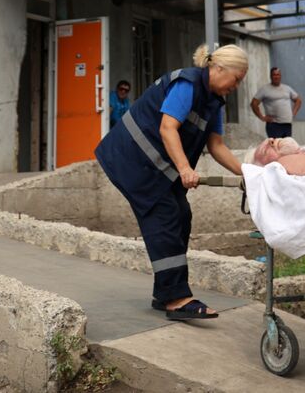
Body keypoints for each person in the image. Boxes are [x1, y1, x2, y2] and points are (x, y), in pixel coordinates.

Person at [94, 44, 247, 321]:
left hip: (157, 168)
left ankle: (165, 292)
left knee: (182, 215)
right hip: (132, 161)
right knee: (164, 215)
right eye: (237, 79)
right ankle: (176, 298)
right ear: (219, 68)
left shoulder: (214, 101)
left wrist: (246, 172)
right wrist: (185, 168)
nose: (236, 86)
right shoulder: (187, 83)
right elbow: (168, 128)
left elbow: (216, 145)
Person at [251, 67, 301, 138]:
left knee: (286, 146)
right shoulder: (265, 89)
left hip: (287, 124)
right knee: (276, 147)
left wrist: (293, 113)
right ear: (270, 76)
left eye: (278, 75)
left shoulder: (287, 88)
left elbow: (298, 100)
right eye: (274, 75)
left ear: (280, 76)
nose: (276, 77)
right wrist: (262, 117)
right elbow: (254, 104)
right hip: (274, 125)